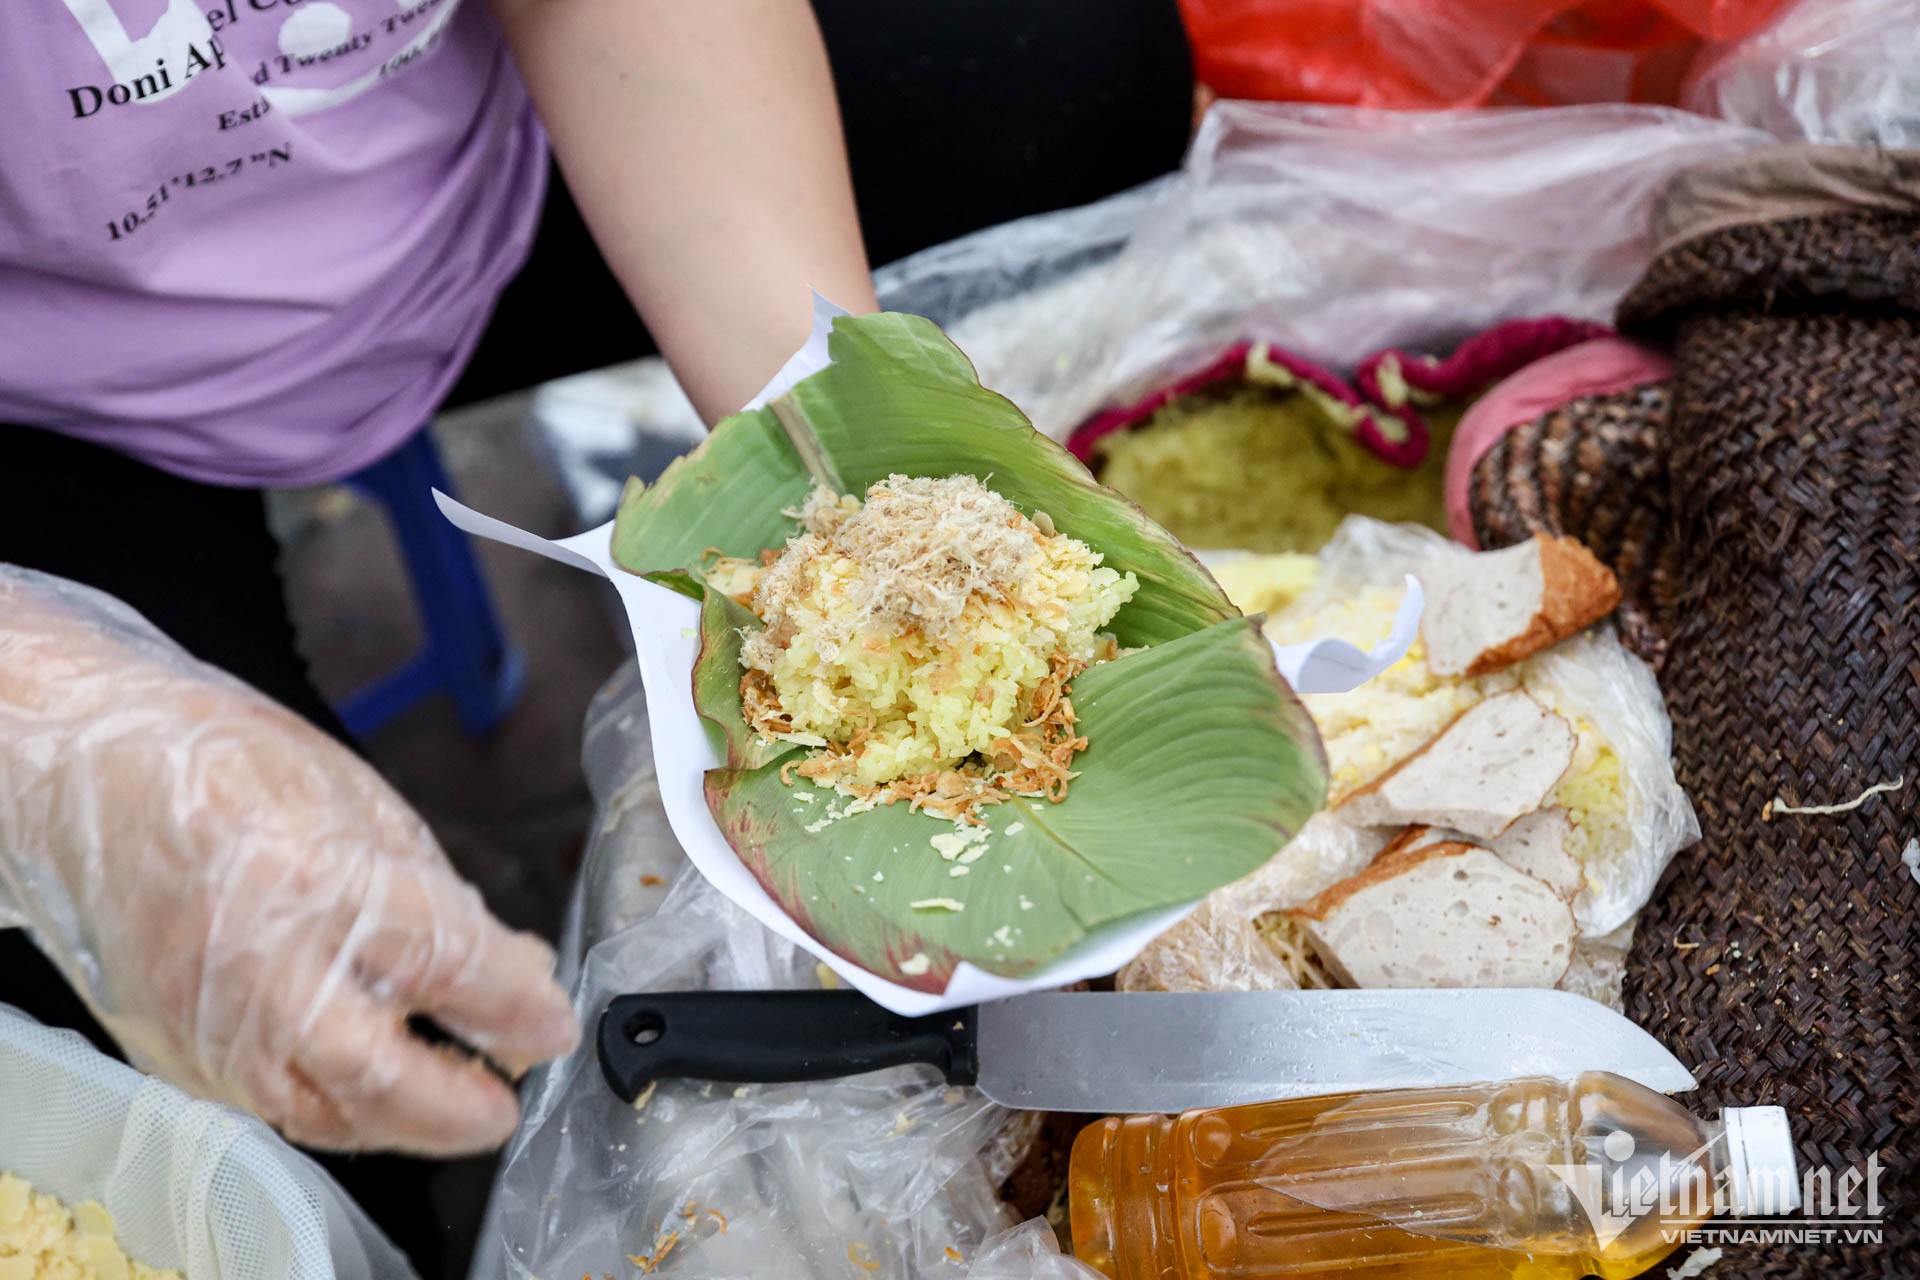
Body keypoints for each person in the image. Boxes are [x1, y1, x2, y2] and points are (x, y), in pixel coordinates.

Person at [1, 0, 1193, 1269]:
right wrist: (59, 730)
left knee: (1068, 62)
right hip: (56, 384)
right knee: (263, 1161)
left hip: (449, 185)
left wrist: (848, 456)